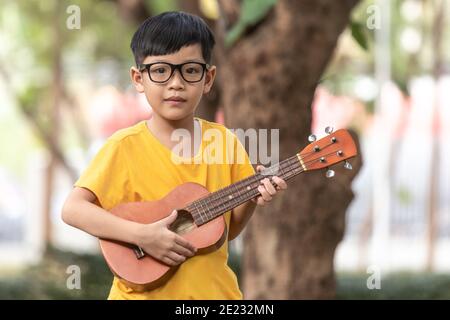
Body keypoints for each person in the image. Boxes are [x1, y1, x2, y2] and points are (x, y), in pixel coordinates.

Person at [62, 11, 287, 300]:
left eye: (190, 70)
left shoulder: (224, 142)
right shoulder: (124, 146)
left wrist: (254, 198)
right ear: (138, 78)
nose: (175, 83)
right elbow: (73, 209)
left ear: (208, 79)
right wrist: (142, 237)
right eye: (160, 71)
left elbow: (223, 232)